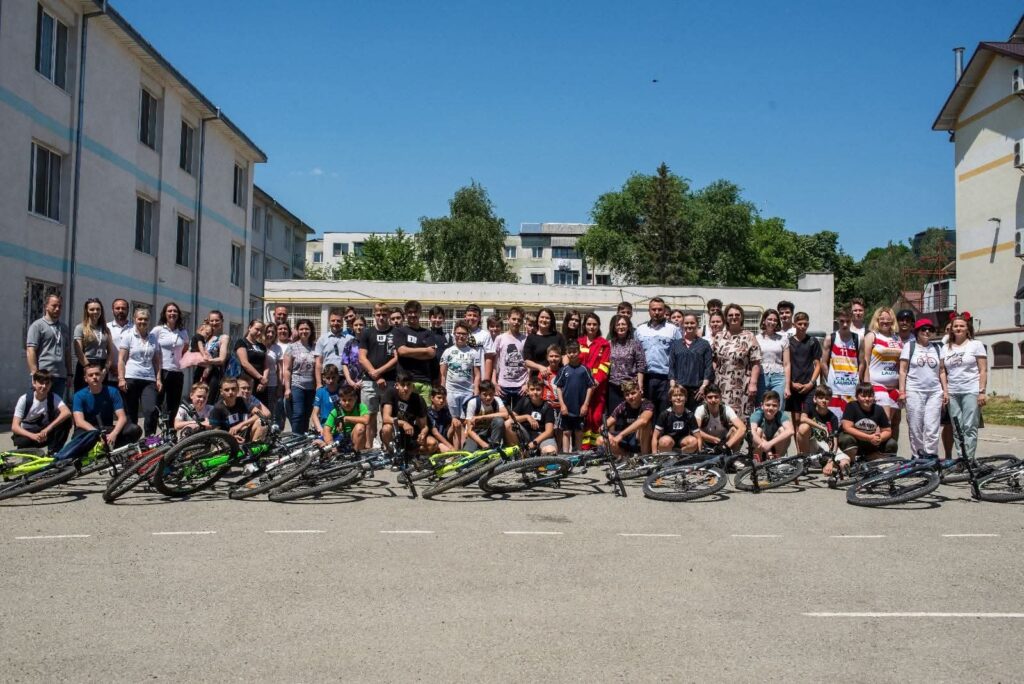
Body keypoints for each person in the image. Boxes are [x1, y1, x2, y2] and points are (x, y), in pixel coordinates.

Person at [942, 312, 987, 462]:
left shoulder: (976, 345)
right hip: (953, 392)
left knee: (970, 426)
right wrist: (945, 391)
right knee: (957, 427)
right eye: (955, 326)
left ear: (967, 328)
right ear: (951, 329)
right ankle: (961, 458)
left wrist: (982, 392)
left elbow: (983, 370)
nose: (958, 328)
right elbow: (942, 371)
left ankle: (969, 459)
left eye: (962, 326)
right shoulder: (945, 347)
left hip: (971, 391)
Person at [898, 319, 947, 458]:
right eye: (923, 329)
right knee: (916, 426)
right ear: (917, 331)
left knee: (932, 427)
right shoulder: (909, 346)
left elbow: (942, 371)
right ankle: (917, 455)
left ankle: (931, 455)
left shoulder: (938, 348)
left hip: (934, 392)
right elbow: (902, 370)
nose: (927, 332)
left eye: (930, 329)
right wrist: (902, 392)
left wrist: (945, 391)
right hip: (914, 390)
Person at [72, 363, 141, 448]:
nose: (94, 377)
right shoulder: (79, 395)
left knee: (134, 429)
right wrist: (97, 434)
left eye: (97, 374)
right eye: (90, 375)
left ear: (102, 376)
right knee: (77, 438)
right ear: (85, 379)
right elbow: (79, 422)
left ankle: (114, 448)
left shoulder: (113, 391)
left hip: (107, 428)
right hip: (88, 430)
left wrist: (114, 434)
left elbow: (122, 418)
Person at [358, 303, 398, 448]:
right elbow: (362, 357)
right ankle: (369, 448)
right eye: (378, 314)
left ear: (388, 315)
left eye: (384, 315)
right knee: (369, 416)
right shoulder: (367, 333)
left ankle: (387, 447)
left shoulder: (395, 332)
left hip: (390, 381)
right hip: (369, 382)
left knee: (388, 416)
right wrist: (375, 375)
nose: (381, 317)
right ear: (374, 315)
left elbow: (396, 357)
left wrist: (379, 372)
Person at [712, 303, 761, 420]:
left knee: (741, 418)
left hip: (742, 384)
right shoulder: (719, 336)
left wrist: (753, 383)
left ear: (742, 317)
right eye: (730, 315)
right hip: (721, 384)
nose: (734, 317)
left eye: (737, 315)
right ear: (726, 318)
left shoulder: (749, 336)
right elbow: (714, 359)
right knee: (722, 416)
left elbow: (756, 362)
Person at [635, 297, 682, 419]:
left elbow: (679, 356)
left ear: (664, 311)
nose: (656, 312)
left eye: (660, 309)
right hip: (646, 378)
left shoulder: (673, 330)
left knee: (664, 413)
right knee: (646, 413)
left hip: (666, 379)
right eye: (654, 309)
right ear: (649, 311)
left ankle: (661, 432)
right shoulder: (640, 330)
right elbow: (635, 356)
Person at [860, 306, 903, 440]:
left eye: (888, 319)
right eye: (882, 319)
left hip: (894, 387)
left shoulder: (897, 338)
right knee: (883, 422)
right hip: (877, 385)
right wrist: (866, 384)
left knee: (892, 423)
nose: (885, 321)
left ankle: (889, 449)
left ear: (892, 321)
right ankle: (877, 448)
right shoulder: (872, 336)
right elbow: (865, 361)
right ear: (877, 320)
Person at [118, 307, 162, 436]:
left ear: (149, 321)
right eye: (140, 319)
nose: (143, 321)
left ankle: (150, 440)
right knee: (131, 413)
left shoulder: (153, 338)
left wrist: (158, 379)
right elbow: (121, 359)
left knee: (151, 410)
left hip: (149, 379)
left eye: (146, 319)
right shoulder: (128, 336)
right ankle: (131, 441)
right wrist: (121, 378)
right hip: (131, 378)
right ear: (134, 319)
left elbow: (157, 362)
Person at [11, 370, 72, 453]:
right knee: (25, 445)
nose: (44, 386)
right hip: (28, 434)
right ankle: (28, 452)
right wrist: (32, 436)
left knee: (66, 420)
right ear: (34, 383)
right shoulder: (24, 399)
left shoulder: (53, 397)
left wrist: (48, 429)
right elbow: (14, 427)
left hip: (44, 432)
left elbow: (67, 412)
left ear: (51, 385)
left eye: (47, 383)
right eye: (41, 383)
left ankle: (54, 451)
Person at [26, 293, 72, 400]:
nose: (57, 309)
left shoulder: (64, 328)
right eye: (54, 306)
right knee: (40, 405)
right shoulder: (37, 325)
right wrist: (35, 374)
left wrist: (69, 374)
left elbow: (67, 353)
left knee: (56, 406)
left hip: (60, 376)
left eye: (60, 306)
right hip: (43, 375)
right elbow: (31, 350)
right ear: (46, 306)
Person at [839, 382, 898, 464]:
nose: (867, 399)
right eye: (863, 396)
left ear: (874, 397)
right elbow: (847, 427)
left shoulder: (879, 409)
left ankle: (881, 463)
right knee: (846, 439)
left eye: (870, 396)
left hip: (871, 442)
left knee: (891, 443)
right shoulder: (851, 406)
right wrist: (869, 437)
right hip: (856, 440)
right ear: (857, 396)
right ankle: (852, 463)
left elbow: (887, 430)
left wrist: (880, 438)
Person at [555, 340, 597, 452]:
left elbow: (590, 386)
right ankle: (565, 455)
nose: (572, 354)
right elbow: (558, 387)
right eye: (569, 352)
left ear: (579, 352)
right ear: (566, 353)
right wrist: (562, 405)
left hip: (580, 408)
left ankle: (579, 455)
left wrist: (585, 404)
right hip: (566, 408)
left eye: (574, 352)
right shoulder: (563, 370)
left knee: (579, 432)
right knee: (566, 432)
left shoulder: (584, 370)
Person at [821, 307, 861, 421]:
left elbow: (862, 363)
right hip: (834, 389)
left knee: (850, 421)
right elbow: (823, 363)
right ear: (837, 320)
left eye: (847, 321)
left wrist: (859, 379)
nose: (845, 324)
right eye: (842, 321)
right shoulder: (831, 338)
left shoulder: (858, 338)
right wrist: (830, 379)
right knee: (834, 420)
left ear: (851, 320)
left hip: (852, 388)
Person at [577, 312, 610, 449]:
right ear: (584, 326)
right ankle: (584, 449)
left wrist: (596, 381)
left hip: (598, 387)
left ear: (598, 326)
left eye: (594, 324)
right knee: (585, 418)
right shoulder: (579, 342)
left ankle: (596, 448)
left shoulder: (604, 344)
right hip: (581, 387)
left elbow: (605, 365)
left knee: (596, 418)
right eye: (589, 324)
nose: (591, 327)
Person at [668, 313, 713, 412]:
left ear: (697, 324)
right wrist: (672, 386)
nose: (689, 325)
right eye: (686, 323)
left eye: (692, 323)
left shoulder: (704, 344)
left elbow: (708, 367)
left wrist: (704, 386)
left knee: (696, 416)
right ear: (682, 325)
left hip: (697, 390)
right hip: (680, 389)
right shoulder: (676, 344)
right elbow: (672, 366)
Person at [394, 300, 437, 402]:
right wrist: (425, 350)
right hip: (405, 382)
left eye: (415, 312)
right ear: (405, 314)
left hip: (424, 381)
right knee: (405, 411)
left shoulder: (428, 333)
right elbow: (402, 351)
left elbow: (431, 354)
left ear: (420, 313)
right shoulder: (400, 331)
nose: (413, 315)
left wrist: (409, 352)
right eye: (410, 312)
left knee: (425, 411)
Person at [152, 302, 189, 419]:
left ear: (178, 314)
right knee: (156, 403)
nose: (172, 313)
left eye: (175, 311)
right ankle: (152, 430)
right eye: (169, 311)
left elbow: (185, 348)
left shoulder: (183, 332)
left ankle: (171, 429)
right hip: (161, 371)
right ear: (164, 314)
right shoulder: (158, 330)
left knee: (173, 406)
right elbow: (151, 348)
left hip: (177, 372)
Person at [440, 320, 480, 426]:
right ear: (454, 333)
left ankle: (464, 438)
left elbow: (477, 375)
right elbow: (442, 375)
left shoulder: (473, 353)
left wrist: (476, 392)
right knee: (453, 421)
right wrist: (443, 392)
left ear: (468, 335)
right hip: (451, 392)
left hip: (467, 393)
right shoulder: (447, 352)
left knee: (465, 422)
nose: (461, 336)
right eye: (458, 333)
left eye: (464, 334)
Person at [379, 372, 430, 456]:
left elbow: (424, 426)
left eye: (409, 385)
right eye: (402, 385)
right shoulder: (390, 393)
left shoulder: (419, 399)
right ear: (397, 385)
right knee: (386, 428)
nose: (406, 388)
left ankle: (409, 455)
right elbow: (386, 418)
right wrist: (403, 423)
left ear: (413, 386)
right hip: (394, 431)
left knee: (432, 443)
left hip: (410, 433)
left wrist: (422, 434)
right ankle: (390, 453)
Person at [73, 298, 117, 392]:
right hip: (86, 364)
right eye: (92, 309)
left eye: (98, 309)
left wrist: (105, 369)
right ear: (87, 311)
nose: (95, 312)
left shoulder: (106, 329)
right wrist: (87, 367)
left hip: (101, 365)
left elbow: (110, 352)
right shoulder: (80, 328)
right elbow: (78, 351)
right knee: (84, 394)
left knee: (100, 394)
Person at [506, 378, 558, 456]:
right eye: (532, 389)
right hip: (525, 435)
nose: (535, 392)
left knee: (550, 451)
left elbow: (549, 432)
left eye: (538, 389)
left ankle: (539, 454)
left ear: (543, 390)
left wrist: (534, 443)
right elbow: (511, 418)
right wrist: (527, 417)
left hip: (542, 436)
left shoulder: (548, 407)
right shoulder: (524, 401)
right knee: (508, 423)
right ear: (528, 391)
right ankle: (519, 453)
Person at [282, 318, 317, 433]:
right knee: (298, 414)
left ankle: (303, 438)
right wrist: (287, 389)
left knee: (307, 415)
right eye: (301, 329)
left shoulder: (315, 347)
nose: (304, 331)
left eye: (306, 329)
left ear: (311, 330)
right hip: (297, 385)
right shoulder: (291, 347)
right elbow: (287, 369)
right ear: (297, 330)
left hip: (311, 387)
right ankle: (295, 438)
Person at [607, 314, 647, 415]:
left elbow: (641, 365)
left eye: (623, 324)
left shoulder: (635, 344)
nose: (621, 327)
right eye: (618, 324)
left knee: (630, 416)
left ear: (628, 327)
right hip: (613, 386)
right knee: (614, 415)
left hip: (630, 387)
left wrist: (640, 384)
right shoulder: (609, 344)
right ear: (614, 327)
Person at [786, 312, 821, 424]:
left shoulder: (813, 341)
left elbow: (818, 365)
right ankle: (797, 437)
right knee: (796, 420)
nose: (802, 326)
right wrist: (791, 383)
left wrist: (811, 383)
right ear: (794, 324)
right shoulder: (788, 342)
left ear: (808, 324)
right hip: (794, 386)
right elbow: (785, 364)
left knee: (806, 419)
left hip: (809, 386)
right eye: (800, 324)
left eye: (805, 324)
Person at [605, 380, 654, 458]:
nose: (630, 397)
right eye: (627, 395)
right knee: (601, 439)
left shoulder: (647, 404)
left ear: (640, 392)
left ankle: (645, 457)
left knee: (646, 425)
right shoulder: (623, 406)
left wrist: (621, 435)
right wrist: (608, 435)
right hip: (628, 439)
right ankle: (626, 458)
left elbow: (643, 421)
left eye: (633, 393)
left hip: (640, 439)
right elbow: (603, 427)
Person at [208, 377, 265, 443]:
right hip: (226, 439)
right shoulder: (217, 408)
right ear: (221, 392)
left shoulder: (242, 401)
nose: (230, 392)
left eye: (233, 389)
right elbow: (215, 432)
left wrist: (240, 425)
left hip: (242, 433)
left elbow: (260, 414)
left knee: (262, 422)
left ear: (237, 390)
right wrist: (231, 437)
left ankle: (254, 447)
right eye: (226, 390)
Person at [693, 384, 747, 452]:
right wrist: (714, 439)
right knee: (695, 434)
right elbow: (695, 430)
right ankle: (700, 453)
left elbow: (742, 428)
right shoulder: (700, 409)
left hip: (724, 442)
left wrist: (726, 446)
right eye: (710, 397)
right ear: (705, 398)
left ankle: (733, 455)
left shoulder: (727, 409)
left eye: (716, 397)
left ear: (721, 397)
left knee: (735, 430)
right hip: (706, 442)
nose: (713, 400)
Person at [796, 386, 841, 468]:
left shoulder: (833, 418)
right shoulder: (810, 408)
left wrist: (832, 457)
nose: (824, 400)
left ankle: (822, 462)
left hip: (823, 446)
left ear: (830, 400)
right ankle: (805, 459)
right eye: (820, 398)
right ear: (814, 399)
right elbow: (802, 418)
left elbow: (835, 440)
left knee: (842, 463)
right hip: (810, 444)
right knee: (803, 428)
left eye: (827, 399)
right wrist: (822, 428)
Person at [493, 307, 528, 409]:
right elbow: (494, 363)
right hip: (503, 386)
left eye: (519, 320)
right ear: (508, 319)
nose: (516, 322)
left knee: (519, 415)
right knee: (503, 415)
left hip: (521, 386)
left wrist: (527, 383)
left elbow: (528, 363)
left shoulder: (525, 340)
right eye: (514, 319)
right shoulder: (500, 338)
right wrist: (494, 383)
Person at [755, 309, 790, 405]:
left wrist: (787, 386)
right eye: (770, 319)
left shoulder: (783, 339)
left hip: (779, 377)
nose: (772, 322)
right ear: (764, 321)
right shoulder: (756, 338)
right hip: (761, 376)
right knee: (761, 406)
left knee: (778, 405)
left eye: (775, 320)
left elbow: (787, 364)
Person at [463, 380, 509, 451]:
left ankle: (495, 446)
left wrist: (482, 417)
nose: (488, 397)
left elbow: (506, 415)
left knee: (499, 420)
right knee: (469, 453)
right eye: (485, 394)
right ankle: (488, 448)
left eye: (491, 394)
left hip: (490, 431)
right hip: (476, 433)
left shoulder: (497, 400)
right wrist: (484, 445)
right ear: (479, 394)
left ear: (494, 393)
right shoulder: (473, 403)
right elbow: (470, 431)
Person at [320, 384, 369, 449]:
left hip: (354, 438)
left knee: (360, 427)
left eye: (350, 400)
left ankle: (355, 452)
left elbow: (366, 420)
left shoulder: (360, 407)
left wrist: (346, 418)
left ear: (356, 398)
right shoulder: (336, 411)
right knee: (319, 442)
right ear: (339, 400)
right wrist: (331, 445)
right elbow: (326, 429)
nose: (347, 403)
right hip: (338, 438)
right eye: (344, 400)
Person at [653, 385, 699, 453]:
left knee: (693, 441)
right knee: (664, 441)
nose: (678, 398)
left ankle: (681, 454)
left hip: (683, 442)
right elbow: (655, 436)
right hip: (668, 441)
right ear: (670, 398)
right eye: (675, 395)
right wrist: (654, 454)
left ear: (686, 398)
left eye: (681, 395)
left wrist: (699, 452)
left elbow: (698, 437)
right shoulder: (664, 414)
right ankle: (667, 456)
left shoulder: (690, 415)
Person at [749, 391, 794, 460]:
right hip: (761, 446)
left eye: (774, 405)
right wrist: (768, 450)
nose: (771, 408)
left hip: (775, 447)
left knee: (782, 430)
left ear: (779, 406)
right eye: (768, 405)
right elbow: (752, 432)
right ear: (762, 405)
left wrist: (769, 444)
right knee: (758, 430)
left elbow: (791, 431)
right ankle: (758, 460)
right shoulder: (757, 414)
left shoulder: (781, 415)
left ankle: (778, 460)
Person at [235, 319, 269, 405]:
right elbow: (244, 363)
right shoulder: (241, 342)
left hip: (261, 384)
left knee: (261, 407)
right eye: (257, 329)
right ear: (250, 327)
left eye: (261, 331)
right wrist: (260, 378)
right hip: (246, 382)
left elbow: (266, 365)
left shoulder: (262, 346)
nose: (259, 332)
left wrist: (263, 381)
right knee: (246, 406)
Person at [199, 310, 230, 403]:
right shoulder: (205, 337)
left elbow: (222, 359)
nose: (214, 323)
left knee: (210, 401)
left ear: (222, 321)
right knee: (199, 400)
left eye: (217, 320)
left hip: (215, 374)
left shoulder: (223, 337)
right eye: (211, 320)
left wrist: (208, 361)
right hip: (200, 372)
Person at [523, 308, 565, 376]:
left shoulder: (558, 336)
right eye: (542, 317)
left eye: (547, 318)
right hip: (537, 377)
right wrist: (540, 367)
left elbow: (564, 356)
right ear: (538, 319)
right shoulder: (531, 338)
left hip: (556, 376)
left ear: (551, 320)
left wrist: (565, 370)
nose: (544, 320)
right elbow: (527, 361)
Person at [314, 311, 351, 389]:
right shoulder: (322, 339)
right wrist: (318, 383)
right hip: (327, 379)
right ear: (329, 322)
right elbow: (318, 363)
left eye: (338, 321)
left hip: (345, 379)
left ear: (342, 322)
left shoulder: (350, 339)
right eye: (333, 320)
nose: (335, 323)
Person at [463, 304, 496, 381]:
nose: (472, 318)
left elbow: (489, 358)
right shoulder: (459, 334)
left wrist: (486, 379)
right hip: (462, 378)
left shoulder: (485, 335)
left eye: (475, 316)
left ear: (479, 318)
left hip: (480, 378)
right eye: (469, 315)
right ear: (465, 316)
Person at [264, 321, 285, 429]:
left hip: (272, 384)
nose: (270, 334)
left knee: (270, 411)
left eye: (273, 332)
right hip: (258, 383)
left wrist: (279, 386)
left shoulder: (277, 348)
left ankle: (269, 433)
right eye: (268, 331)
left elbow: (280, 369)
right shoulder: (259, 345)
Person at [311, 363, 342, 433]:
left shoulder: (342, 391)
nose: (331, 381)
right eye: (328, 378)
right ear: (323, 378)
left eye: (333, 377)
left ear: (338, 377)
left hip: (340, 426)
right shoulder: (320, 392)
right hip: (325, 426)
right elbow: (314, 414)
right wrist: (320, 430)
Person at [426, 386, 458, 452]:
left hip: (445, 436)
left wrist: (454, 420)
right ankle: (455, 452)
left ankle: (459, 450)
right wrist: (450, 447)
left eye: (444, 398)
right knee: (449, 452)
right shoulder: (428, 412)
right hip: (436, 440)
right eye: (439, 398)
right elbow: (435, 433)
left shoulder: (445, 409)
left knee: (457, 423)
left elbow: (451, 424)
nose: (442, 400)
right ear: (432, 398)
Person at [340, 315, 365, 396]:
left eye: (361, 325)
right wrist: (349, 380)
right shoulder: (349, 343)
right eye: (356, 325)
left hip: (366, 383)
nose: (358, 327)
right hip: (351, 383)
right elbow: (344, 363)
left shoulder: (370, 343)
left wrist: (363, 380)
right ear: (352, 327)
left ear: (365, 326)